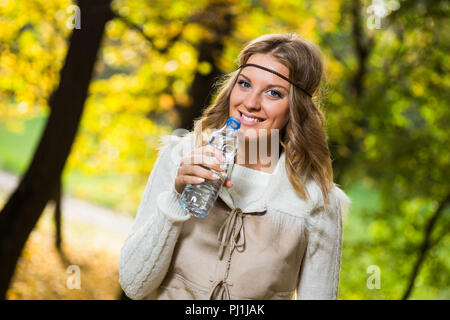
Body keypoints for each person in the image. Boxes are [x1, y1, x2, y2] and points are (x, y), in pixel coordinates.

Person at [119, 33, 351, 300]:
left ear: (296, 108)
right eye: (244, 84)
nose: (251, 103)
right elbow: (134, 285)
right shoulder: (181, 157)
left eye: (273, 93)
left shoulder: (316, 202)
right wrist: (176, 197)